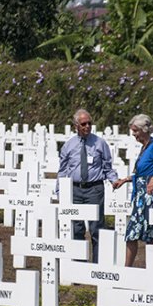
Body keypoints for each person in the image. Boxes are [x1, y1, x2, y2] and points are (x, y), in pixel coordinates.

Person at [57, 109, 119, 263]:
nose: (87, 126)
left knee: (97, 228)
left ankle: (97, 266)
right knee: (77, 229)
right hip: (75, 190)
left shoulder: (100, 143)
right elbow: (63, 170)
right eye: (83, 124)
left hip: (94, 190)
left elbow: (107, 166)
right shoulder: (68, 146)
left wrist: (114, 180)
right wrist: (60, 190)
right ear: (76, 126)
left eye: (89, 123)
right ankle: (79, 266)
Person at [113, 114, 153, 267]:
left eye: (136, 131)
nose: (134, 135)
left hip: (150, 196)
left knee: (147, 234)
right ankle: (129, 268)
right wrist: (125, 180)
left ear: (145, 130)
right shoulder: (144, 148)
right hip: (141, 196)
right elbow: (141, 174)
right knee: (134, 233)